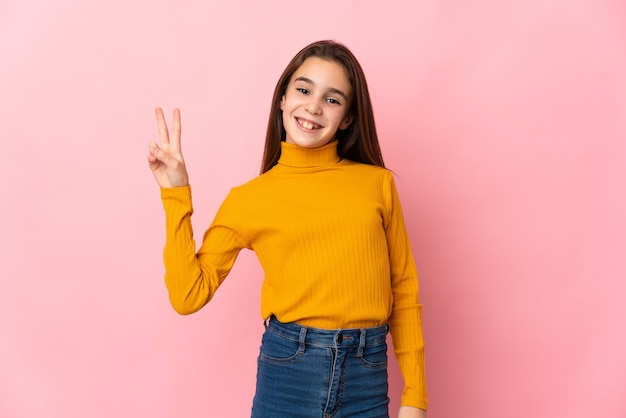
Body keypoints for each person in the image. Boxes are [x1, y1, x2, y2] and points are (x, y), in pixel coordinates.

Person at [147, 40, 427, 418]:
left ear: (347, 117)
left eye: (332, 99)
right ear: (282, 98)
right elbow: (187, 295)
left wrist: (416, 397)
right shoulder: (250, 199)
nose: (313, 106)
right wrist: (174, 192)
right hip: (289, 372)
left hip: (367, 376)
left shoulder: (376, 184)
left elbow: (403, 290)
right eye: (304, 89)